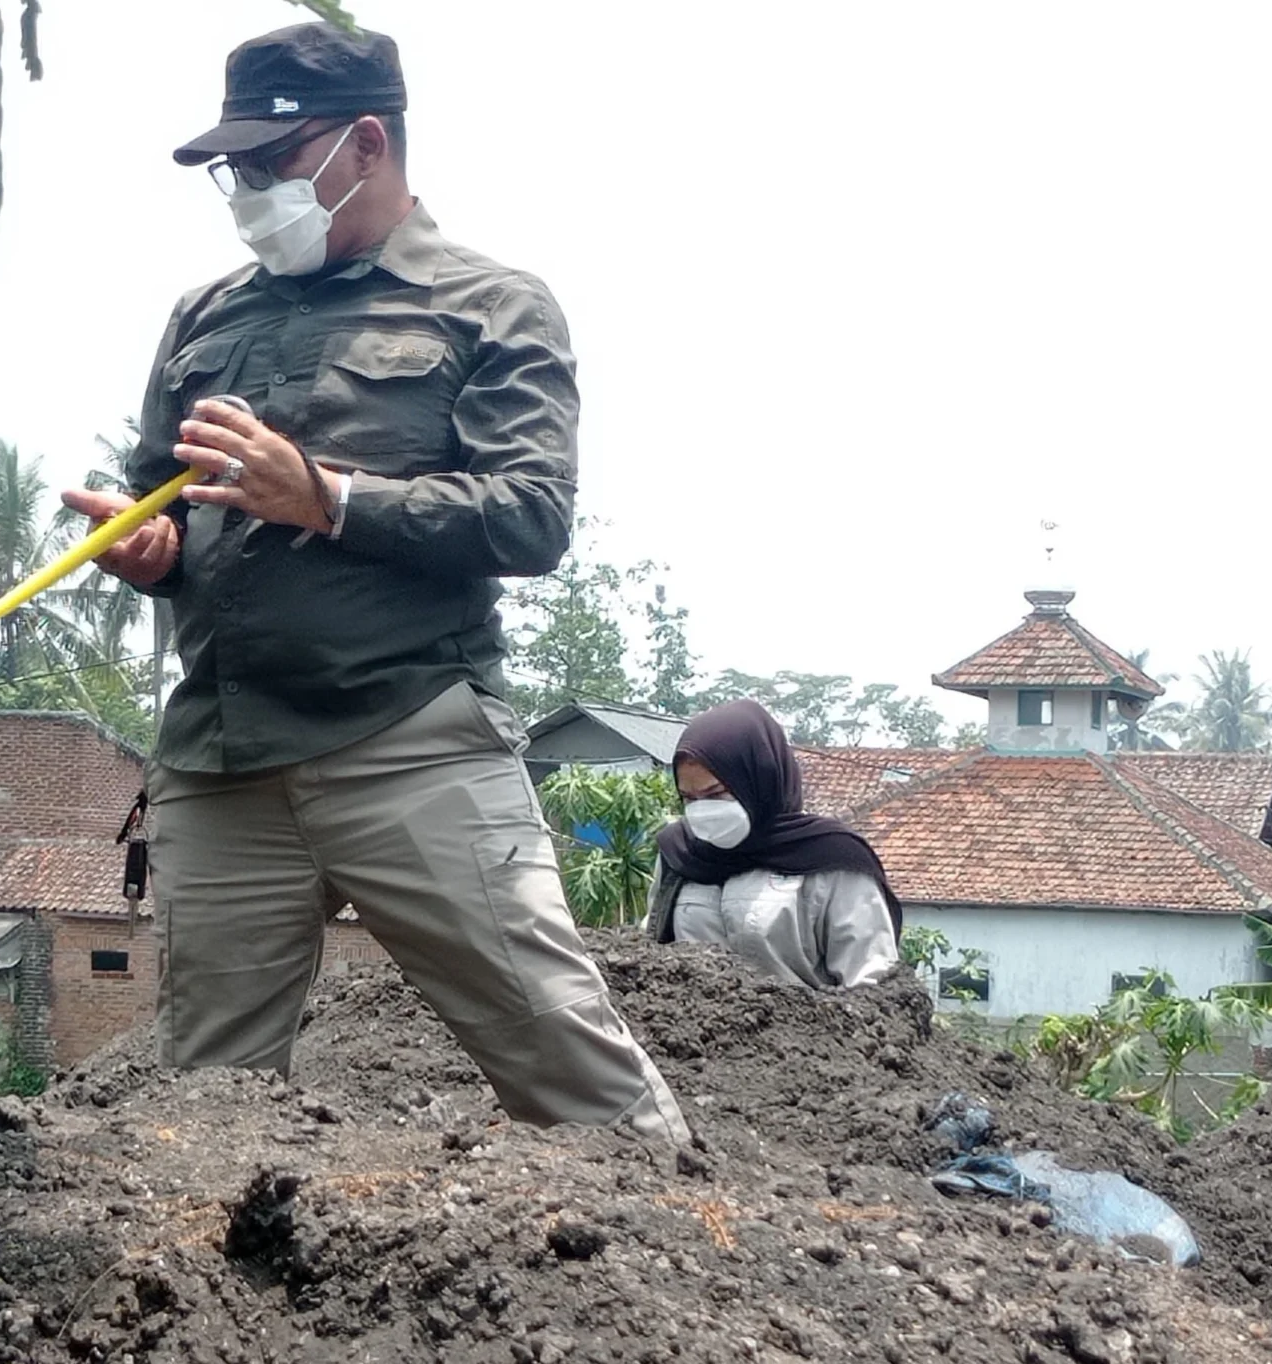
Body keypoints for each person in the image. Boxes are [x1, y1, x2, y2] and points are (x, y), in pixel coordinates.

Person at [59, 22, 690, 1148]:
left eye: (270, 159)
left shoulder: (492, 305)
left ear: (364, 141)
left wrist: (327, 496)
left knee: (571, 1072)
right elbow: (169, 503)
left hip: (408, 744)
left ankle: (697, 1261)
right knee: (207, 1113)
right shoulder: (204, 319)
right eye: (231, 170)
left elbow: (530, 515)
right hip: (219, 763)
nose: (248, 188)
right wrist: (147, 552)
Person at [646, 699, 905, 989]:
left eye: (715, 793)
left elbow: (871, 983)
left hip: (806, 1032)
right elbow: (654, 951)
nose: (703, 810)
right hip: (688, 1032)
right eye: (689, 798)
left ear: (759, 778)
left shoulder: (832, 857)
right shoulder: (679, 853)